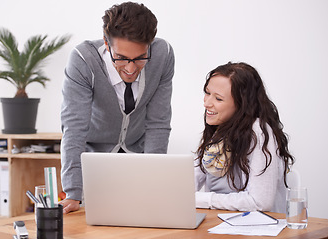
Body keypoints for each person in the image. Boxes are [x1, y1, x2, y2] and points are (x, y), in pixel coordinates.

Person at [60, 2, 174, 214]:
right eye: (121, 58)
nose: (131, 69)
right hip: (94, 162)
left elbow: (158, 123)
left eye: (140, 58)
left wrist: (154, 182)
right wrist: (73, 191)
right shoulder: (83, 60)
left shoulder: (163, 55)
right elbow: (74, 129)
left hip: (138, 160)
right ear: (106, 43)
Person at [195, 62, 294, 213]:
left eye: (218, 99)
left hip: (258, 230)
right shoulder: (219, 129)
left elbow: (260, 202)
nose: (207, 103)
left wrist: (203, 199)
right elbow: (190, 182)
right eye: (207, 93)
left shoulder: (259, 133)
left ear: (242, 104)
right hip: (220, 223)